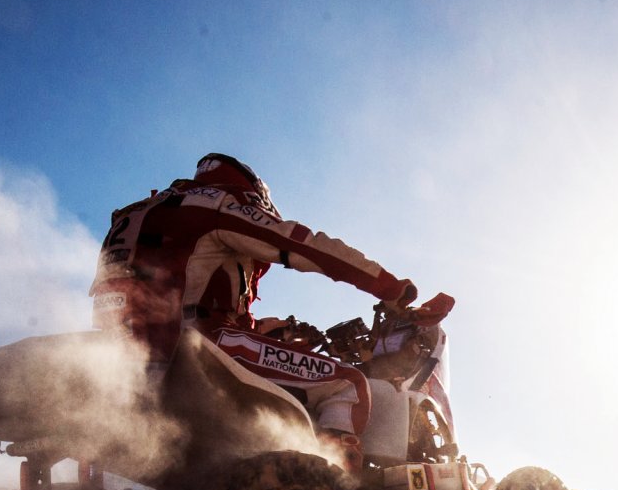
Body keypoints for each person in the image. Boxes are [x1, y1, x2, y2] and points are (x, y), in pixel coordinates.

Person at [90, 153, 418, 467]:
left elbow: (172, 285)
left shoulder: (142, 210)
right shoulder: (219, 203)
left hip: (121, 355)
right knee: (347, 383)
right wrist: (388, 287)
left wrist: (268, 331)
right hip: (191, 343)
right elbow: (303, 245)